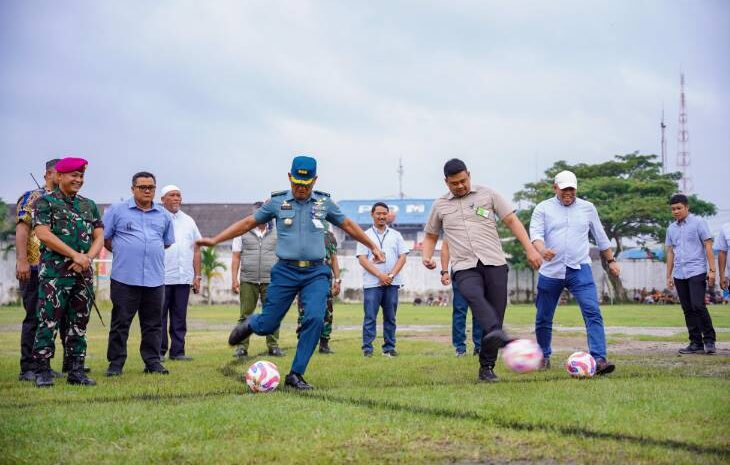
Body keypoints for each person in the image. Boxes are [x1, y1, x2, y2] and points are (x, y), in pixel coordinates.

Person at [198, 155, 384, 390]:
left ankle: (296, 374)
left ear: (314, 181)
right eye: (296, 183)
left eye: (306, 185)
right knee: (268, 324)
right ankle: (250, 324)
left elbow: (347, 225)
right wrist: (216, 239)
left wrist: (373, 246)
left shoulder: (324, 204)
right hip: (285, 272)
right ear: (289, 177)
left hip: (316, 272)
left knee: (315, 318)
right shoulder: (277, 202)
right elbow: (247, 223)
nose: (301, 189)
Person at [422, 158, 542, 382]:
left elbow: (512, 221)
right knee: (473, 296)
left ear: (469, 174)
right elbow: (430, 236)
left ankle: (486, 367)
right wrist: (426, 256)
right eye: (454, 183)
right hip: (464, 266)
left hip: (494, 263)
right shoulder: (440, 205)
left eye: (463, 181)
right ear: (445, 182)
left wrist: (530, 249)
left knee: (494, 315)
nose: (459, 186)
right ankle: (501, 336)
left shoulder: (488, 195)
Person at [529, 170, 618, 374]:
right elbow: (535, 234)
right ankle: (543, 356)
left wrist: (611, 260)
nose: (568, 192)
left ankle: (599, 359)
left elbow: (601, 237)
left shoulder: (588, 208)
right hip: (551, 271)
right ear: (555, 188)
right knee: (543, 316)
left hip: (580, 269)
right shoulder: (543, 208)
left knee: (592, 311)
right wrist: (542, 250)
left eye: (571, 189)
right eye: (564, 189)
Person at [31, 157, 104, 387]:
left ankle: (76, 371)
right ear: (59, 176)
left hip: (82, 274)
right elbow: (43, 234)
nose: (78, 179)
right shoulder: (45, 203)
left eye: (81, 176)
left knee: (79, 323)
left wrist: (87, 258)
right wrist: (75, 255)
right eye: (73, 175)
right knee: (48, 322)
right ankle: (42, 371)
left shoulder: (88, 205)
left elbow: (99, 235)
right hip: (55, 274)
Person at [103, 171, 175, 376]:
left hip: (154, 278)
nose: (147, 191)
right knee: (120, 323)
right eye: (142, 187)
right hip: (124, 278)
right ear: (132, 188)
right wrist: (126, 252)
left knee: (153, 324)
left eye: (151, 187)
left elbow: (166, 242)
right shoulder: (117, 210)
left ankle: (152, 361)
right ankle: (115, 364)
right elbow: (105, 239)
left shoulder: (163, 215)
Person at [15, 159, 65, 381]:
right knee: (34, 317)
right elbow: (22, 229)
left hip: (55, 268)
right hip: (34, 267)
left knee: (50, 318)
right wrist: (22, 260)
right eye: (61, 172)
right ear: (49, 173)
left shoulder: (64, 200)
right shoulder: (32, 197)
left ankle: (42, 364)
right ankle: (27, 367)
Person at [665, 194, 716, 355]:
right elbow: (670, 252)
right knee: (687, 308)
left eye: (679, 208)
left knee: (698, 305)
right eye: (673, 209)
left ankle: (709, 340)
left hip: (697, 270)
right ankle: (695, 343)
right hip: (679, 273)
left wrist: (712, 270)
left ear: (687, 207)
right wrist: (668, 275)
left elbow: (708, 245)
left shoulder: (699, 223)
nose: (676, 211)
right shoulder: (671, 228)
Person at [230, 203, 283, 358]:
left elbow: (283, 256)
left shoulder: (278, 232)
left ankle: (273, 346)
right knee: (245, 314)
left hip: (271, 280)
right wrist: (234, 279)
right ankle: (242, 347)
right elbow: (236, 256)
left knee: (273, 314)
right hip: (248, 279)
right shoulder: (242, 231)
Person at [357, 202, 409, 357]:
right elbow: (362, 259)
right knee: (370, 317)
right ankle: (368, 349)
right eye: (378, 213)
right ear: (372, 214)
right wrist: (380, 275)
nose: (381, 216)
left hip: (392, 283)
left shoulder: (396, 235)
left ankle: (389, 348)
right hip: (372, 284)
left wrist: (390, 276)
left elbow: (403, 256)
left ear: (388, 215)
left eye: (384, 213)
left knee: (390, 317)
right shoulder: (365, 235)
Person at [160, 185, 201, 361]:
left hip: (183, 278)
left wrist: (197, 276)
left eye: (178, 195)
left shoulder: (189, 221)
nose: (176, 198)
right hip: (161, 278)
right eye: (172, 195)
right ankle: (158, 352)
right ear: (163, 199)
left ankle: (178, 352)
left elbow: (197, 249)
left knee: (179, 317)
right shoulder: (157, 218)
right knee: (159, 317)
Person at [296, 226, 341, 354]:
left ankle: (324, 344)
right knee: (304, 311)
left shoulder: (329, 236)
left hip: (324, 280)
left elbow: (333, 259)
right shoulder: (300, 235)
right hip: (305, 279)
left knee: (327, 311)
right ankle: (303, 343)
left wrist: (338, 280)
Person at [440, 239, 482, 357]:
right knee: (460, 310)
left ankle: (479, 346)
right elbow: (445, 247)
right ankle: (460, 348)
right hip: (460, 270)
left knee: (479, 310)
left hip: (479, 270)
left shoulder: (479, 223)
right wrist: (444, 271)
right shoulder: (453, 223)